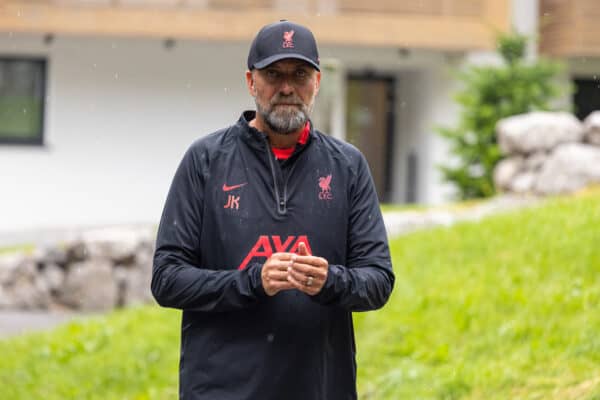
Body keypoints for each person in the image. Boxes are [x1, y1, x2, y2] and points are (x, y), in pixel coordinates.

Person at [151, 20, 394, 400]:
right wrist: (251, 282)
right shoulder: (206, 160)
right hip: (220, 390)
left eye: (299, 74)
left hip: (320, 388)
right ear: (251, 82)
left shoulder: (347, 166)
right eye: (272, 74)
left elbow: (378, 280)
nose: (286, 88)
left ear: (317, 82)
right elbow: (167, 279)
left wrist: (330, 281)